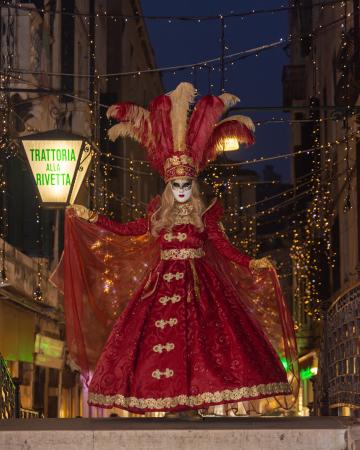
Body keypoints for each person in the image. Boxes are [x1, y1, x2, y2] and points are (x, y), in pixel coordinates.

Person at [52, 82, 298, 415]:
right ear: (169, 187)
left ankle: (199, 399)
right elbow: (127, 231)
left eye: (185, 185)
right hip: (161, 282)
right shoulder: (158, 214)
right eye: (176, 185)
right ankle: (164, 399)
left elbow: (222, 247)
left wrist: (251, 262)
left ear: (191, 186)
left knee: (206, 343)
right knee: (149, 344)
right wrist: (91, 216)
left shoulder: (206, 215)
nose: (181, 190)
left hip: (201, 286)